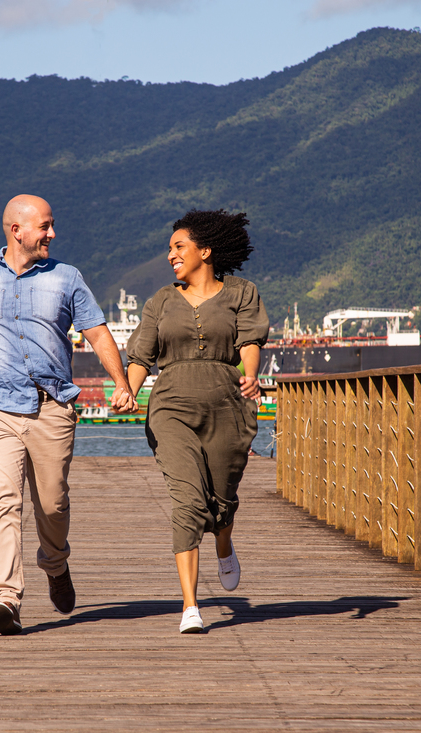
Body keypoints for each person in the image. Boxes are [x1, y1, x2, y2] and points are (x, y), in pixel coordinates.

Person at [0, 194, 138, 636]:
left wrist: (122, 383)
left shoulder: (67, 278)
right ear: (17, 231)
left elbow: (99, 333)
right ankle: (4, 596)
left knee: (53, 503)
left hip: (51, 407)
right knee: (2, 502)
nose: (53, 233)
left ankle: (55, 563)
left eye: (51, 226)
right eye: (45, 226)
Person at [125, 209, 269, 634]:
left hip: (228, 404)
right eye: (170, 248)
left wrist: (251, 375)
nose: (170, 255)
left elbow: (249, 341)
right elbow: (141, 356)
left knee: (221, 499)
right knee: (188, 501)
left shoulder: (242, 293)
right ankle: (190, 605)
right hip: (171, 407)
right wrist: (130, 389)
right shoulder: (161, 301)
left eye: (178, 246)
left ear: (204, 251)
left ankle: (224, 539)